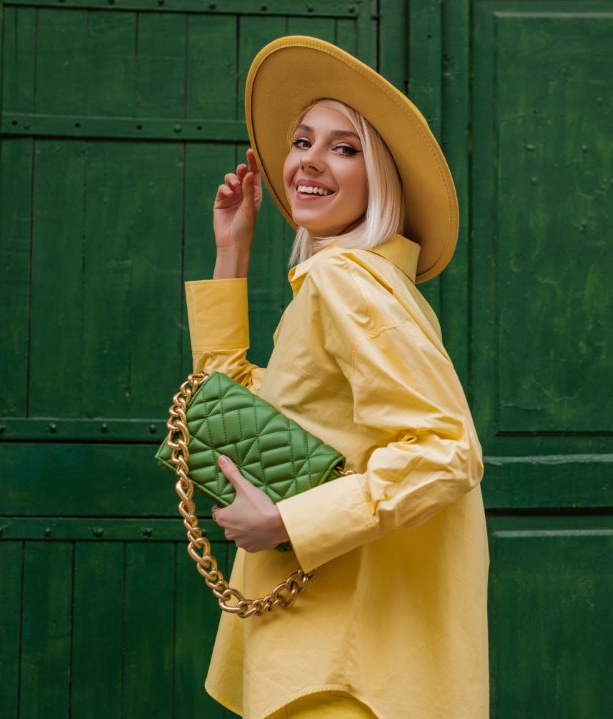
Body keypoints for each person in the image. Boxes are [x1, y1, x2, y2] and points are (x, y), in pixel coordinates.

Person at [183, 36, 488, 719]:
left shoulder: (342, 281)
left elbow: (448, 449)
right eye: (301, 142)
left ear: (379, 175)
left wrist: (290, 518)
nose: (310, 162)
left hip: (338, 664)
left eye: (344, 147)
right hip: (346, 657)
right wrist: (232, 253)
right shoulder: (361, 285)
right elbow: (236, 413)